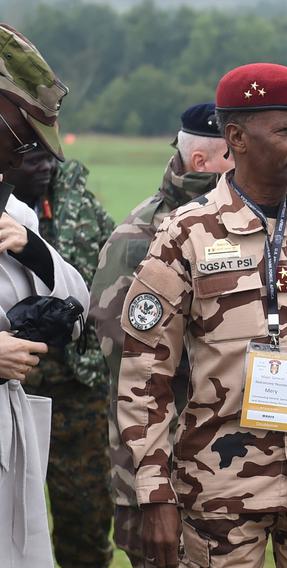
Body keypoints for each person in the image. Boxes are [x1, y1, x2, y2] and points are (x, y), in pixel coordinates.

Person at [116, 63, 287, 568]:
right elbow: (145, 374)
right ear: (237, 138)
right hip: (220, 489)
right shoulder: (187, 234)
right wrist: (154, 494)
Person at [89, 102, 233, 567]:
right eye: (235, 153)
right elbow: (123, 357)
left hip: (225, 465)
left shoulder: (237, 224)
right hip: (158, 470)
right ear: (202, 163)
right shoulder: (141, 237)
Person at [0, 23, 90, 568]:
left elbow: (77, 311)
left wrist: (34, 251)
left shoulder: (14, 214)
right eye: (22, 137)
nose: (28, 156)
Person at [5, 137, 115, 567]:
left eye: (49, 159)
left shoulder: (82, 210)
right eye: (31, 159)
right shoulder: (10, 211)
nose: (43, 168)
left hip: (75, 388)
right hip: (16, 384)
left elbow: (102, 292)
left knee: (85, 517)